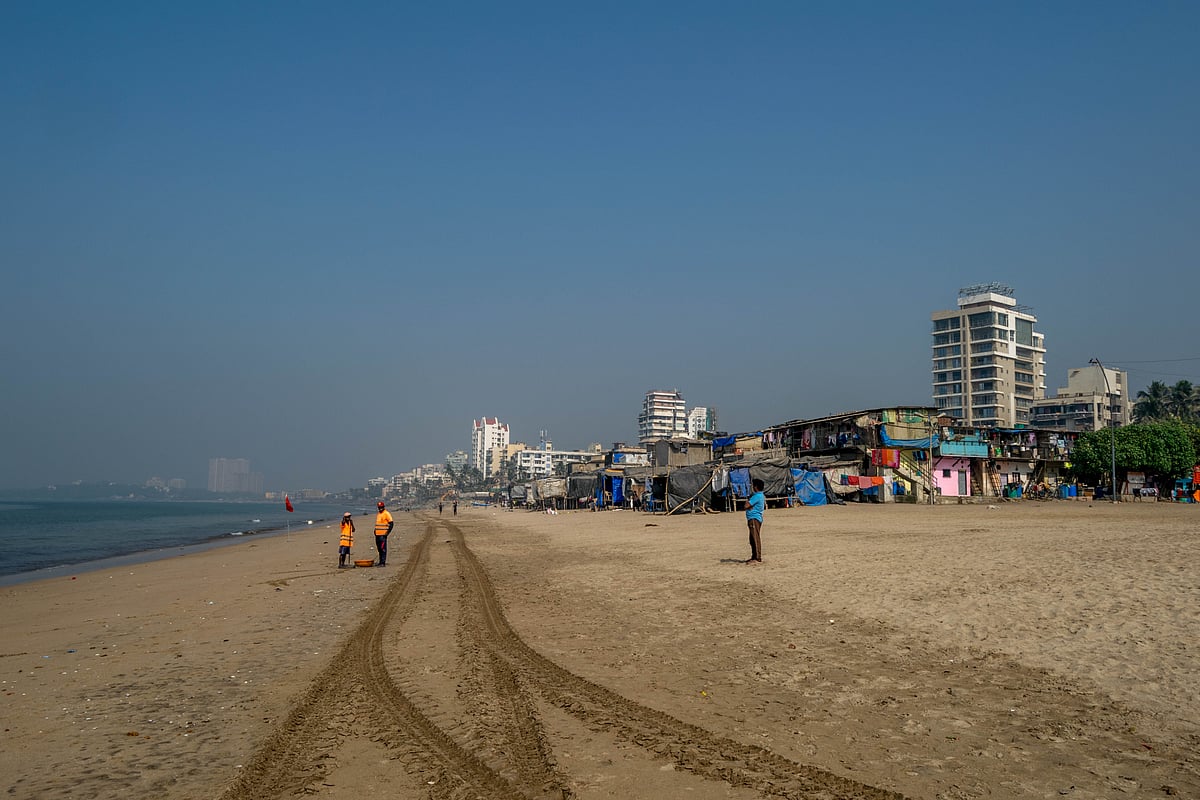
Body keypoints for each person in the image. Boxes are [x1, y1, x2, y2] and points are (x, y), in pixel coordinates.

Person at [745, 478, 765, 564]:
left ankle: (757, 557)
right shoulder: (759, 496)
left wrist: (748, 504)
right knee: (752, 538)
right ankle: (754, 556)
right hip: (753, 518)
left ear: (756, 487)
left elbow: (746, 505)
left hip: (754, 518)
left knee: (755, 538)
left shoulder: (757, 496)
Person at [374, 501, 393, 566]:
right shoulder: (379, 514)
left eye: (381, 507)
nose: (380, 509)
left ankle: (383, 562)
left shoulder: (386, 514)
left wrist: (387, 533)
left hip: (383, 535)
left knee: (383, 548)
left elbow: (391, 523)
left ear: (383, 507)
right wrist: (375, 531)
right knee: (379, 548)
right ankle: (380, 561)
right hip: (377, 534)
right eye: (379, 507)